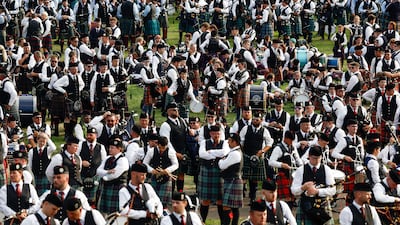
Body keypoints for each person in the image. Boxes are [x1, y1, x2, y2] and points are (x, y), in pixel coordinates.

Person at [291, 146, 336, 225]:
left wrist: (317, 191)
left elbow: (333, 190)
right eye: (314, 158)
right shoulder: (301, 170)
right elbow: (294, 190)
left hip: (323, 206)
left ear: (321, 157)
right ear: (309, 156)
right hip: (306, 206)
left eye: (318, 158)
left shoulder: (326, 169)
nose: (316, 161)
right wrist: (303, 187)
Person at [240, 111, 273, 203]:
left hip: (258, 157)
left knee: (254, 179)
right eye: (253, 119)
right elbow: (241, 142)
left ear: (261, 120)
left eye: (257, 120)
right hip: (247, 155)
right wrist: (243, 153)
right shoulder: (246, 129)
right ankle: (242, 194)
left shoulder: (264, 131)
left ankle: (252, 197)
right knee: (244, 177)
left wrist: (262, 151)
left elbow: (269, 143)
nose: (255, 121)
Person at [198, 125, 229, 222]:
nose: (217, 135)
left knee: (220, 200)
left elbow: (224, 152)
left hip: (219, 172)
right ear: (210, 134)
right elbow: (202, 154)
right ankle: (202, 221)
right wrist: (217, 155)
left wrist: (210, 152)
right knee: (205, 200)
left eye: (218, 133)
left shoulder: (225, 143)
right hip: (206, 171)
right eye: (214, 133)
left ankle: (223, 222)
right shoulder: (204, 142)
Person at [159, 102, 189, 193]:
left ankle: (180, 192)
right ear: (168, 112)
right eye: (173, 109)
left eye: (176, 109)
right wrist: (175, 153)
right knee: (172, 175)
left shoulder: (182, 121)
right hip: (171, 153)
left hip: (182, 151)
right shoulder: (165, 125)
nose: (175, 111)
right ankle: (170, 195)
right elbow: (166, 141)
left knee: (181, 174)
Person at [143, 136, 179, 210]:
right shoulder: (151, 151)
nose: (162, 150)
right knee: (152, 200)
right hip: (154, 178)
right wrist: (152, 170)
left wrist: (167, 170)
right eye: (160, 147)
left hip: (166, 179)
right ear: (157, 144)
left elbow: (176, 164)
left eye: (164, 148)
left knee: (163, 203)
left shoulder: (171, 152)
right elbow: (145, 163)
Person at [96, 138, 129, 214]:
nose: (110, 149)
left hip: (118, 188)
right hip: (107, 187)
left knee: (116, 213)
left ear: (119, 149)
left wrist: (104, 176)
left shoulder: (123, 160)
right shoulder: (107, 158)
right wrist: (107, 171)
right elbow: (98, 171)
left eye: (112, 148)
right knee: (104, 212)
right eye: (110, 147)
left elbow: (114, 175)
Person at [77, 127, 107, 206]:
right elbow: (75, 157)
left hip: (95, 176)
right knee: (82, 199)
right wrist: (81, 162)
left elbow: (104, 162)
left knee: (94, 200)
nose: (88, 136)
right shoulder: (81, 145)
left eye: (91, 135)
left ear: (96, 135)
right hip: (82, 176)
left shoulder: (101, 147)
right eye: (87, 134)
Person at [218, 133, 243, 225]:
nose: (228, 142)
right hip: (232, 180)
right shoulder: (234, 152)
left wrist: (221, 160)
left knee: (227, 207)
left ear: (234, 142)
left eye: (229, 141)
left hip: (233, 181)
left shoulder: (235, 153)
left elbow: (222, 165)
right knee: (233, 207)